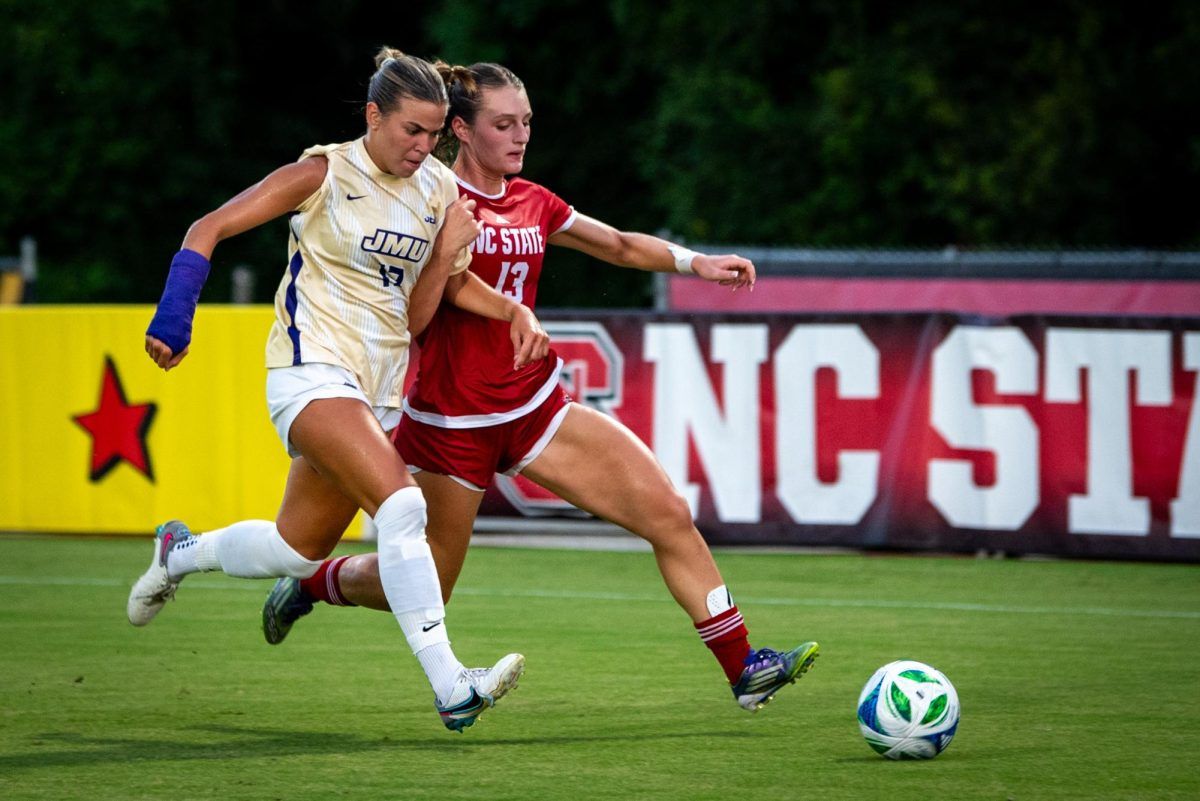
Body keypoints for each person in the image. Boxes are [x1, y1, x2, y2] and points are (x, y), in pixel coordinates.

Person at [261, 62, 819, 713]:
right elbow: (411, 314)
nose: (520, 135)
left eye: (525, 122)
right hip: (450, 426)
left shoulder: (532, 199)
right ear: (460, 129)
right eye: (503, 124)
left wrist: (697, 262)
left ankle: (744, 666)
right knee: (424, 584)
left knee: (667, 511)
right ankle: (313, 584)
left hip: (535, 409)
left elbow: (616, 245)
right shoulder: (424, 199)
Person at [126, 48, 551, 732]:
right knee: (403, 507)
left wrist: (502, 303)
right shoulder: (324, 172)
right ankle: (452, 685)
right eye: (411, 130)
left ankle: (179, 552)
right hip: (310, 371)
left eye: (433, 133)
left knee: (296, 550)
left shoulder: (439, 190)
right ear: (373, 115)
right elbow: (209, 227)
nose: (423, 146)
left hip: (375, 391)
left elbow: (428, 308)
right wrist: (175, 314)